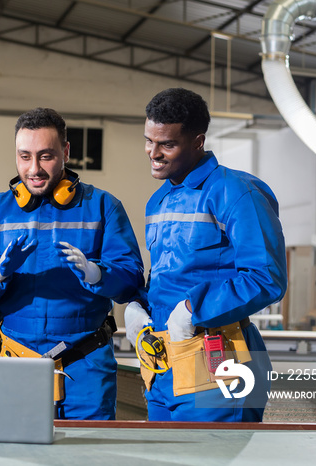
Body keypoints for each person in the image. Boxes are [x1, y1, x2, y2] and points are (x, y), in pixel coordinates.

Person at [0, 107, 144, 420]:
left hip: (86, 367)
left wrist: (97, 273)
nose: (34, 169)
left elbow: (131, 282)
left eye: (45, 156)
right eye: (24, 156)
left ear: (66, 152)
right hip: (16, 365)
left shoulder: (102, 207)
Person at [125, 87, 287, 422]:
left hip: (221, 362)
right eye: (148, 141)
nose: (153, 153)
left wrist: (192, 309)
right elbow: (168, 275)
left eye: (167, 144)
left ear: (198, 142)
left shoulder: (237, 192)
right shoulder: (158, 201)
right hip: (163, 365)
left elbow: (266, 278)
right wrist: (139, 306)